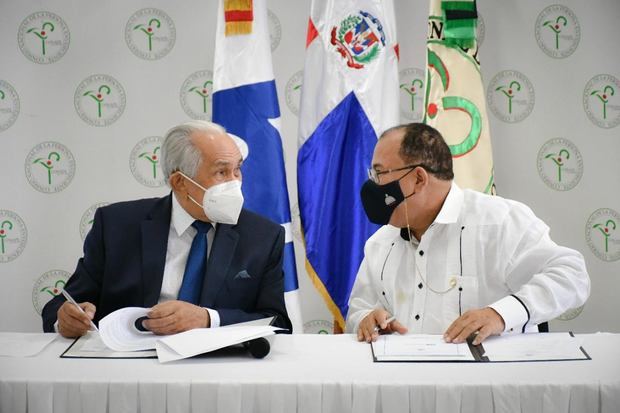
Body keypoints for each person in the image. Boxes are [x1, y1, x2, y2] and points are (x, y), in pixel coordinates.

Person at [346, 123, 590, 345]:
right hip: (407, 387)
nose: (373, 185)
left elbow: (572, 275)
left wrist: (500, 314)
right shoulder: (380, 243)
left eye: (379, 173)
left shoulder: (498, 222)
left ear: (418, 179)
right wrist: (366, 320)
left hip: (490, 386)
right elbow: (359, 310)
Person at [42, 120, 291, 337]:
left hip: (218, 369)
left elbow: (277, 322)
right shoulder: (116, 225)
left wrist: (207, 319)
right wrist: (65, 318)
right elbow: (63, 305)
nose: (235, 182)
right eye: (221, 172)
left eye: (237, 169)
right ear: (180, 182)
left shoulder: (263, 237)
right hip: (133, 369)